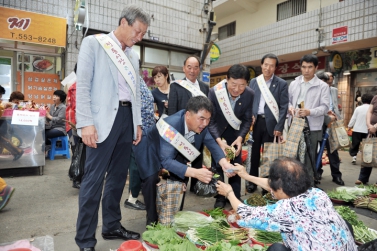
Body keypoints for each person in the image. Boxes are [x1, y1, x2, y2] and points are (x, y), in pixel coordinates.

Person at [75, 5, 150, 251]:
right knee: (93, 181)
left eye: (142, 35)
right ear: (124, 22)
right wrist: (85, 123)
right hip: (101, 120)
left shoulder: (133, 56)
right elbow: (83, 85)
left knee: (118, 178)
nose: (138, 38)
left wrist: (137, 123)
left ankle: (111, 226)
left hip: (127, 118)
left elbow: (135, 93)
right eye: (137, 32)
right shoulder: (94, 43)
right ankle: (85, 240)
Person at [216, 157, 357, 251]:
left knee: (277, 249)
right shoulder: (317, 194)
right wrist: (246, 176)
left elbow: (246, 214)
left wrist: (229, 193)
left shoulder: (286, 209)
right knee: (345, 223)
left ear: (281, 188)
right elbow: (275, 186)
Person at [135, 96, 235, 225]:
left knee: (181, 179)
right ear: (188, 115)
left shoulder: (202, 126)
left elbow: (212, 143)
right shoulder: (172, 124)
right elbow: (166, 160)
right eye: (202, 119)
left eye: (208, 119)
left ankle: (174, 215)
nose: (205, 123)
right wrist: (196, 173)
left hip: (175, 149)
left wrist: (224, 163)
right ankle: (152, 220)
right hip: (150, 148)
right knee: (151, 179)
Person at [208, 64, 254, 208]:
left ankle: (235, 195)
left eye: (241, 85)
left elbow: (247, 120)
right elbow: (211, 120)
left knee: (236, 164)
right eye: (233, 84)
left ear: (246, 84)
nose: (237, 89)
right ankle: (220, 197)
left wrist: (240, 138)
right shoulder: (215, 92)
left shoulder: (249, 94)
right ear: (227, 79)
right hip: (218, 133)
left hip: (235, 135)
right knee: (217, 165)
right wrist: (218, 141)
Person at [247, 53, 288, 193]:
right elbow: (250, 101)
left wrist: (279, 126)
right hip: (256, 122)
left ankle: (267, 184)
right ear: (261, 65)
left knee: (269, 155)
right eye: (266, 65)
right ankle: (251, 182)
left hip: (271, 124)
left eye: (271, 65)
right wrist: (250, 116)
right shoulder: (254, 81)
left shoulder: (281, 84)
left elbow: (284, 107)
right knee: (253, 155)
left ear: (275, 67)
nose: (268, 68)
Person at [168, 55, 210, 192]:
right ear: (184, 68)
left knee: (197, 154)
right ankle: (180, 182)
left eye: (195, 68)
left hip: (199, 128)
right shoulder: (176, 86)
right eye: (189, 67)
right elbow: (172, 110)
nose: (192, 71)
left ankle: (196, 185)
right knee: (180, 156)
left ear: (199, 69)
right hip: (182, 128)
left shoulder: (204, 87)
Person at [288, 54, 329, 186]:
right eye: (304, 67)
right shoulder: (294, 83)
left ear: (316, 68)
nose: (306, 70)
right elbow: (288, 101)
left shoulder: (322, 86)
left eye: (310, 67)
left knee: (309, 158)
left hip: (312, 126)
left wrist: (309, 112)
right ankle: (294, 185)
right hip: (295, 124)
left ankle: (308, 187)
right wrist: (290, 108)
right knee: (293, 156)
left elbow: (324, 107)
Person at [124, 76, 155, 211]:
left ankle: (135, 194)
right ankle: (132, 198)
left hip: (145, 129)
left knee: (138, 163)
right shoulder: (130, 81)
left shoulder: (138, 80)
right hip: (138, 130)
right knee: (135, 164)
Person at [315, 72, 344, 186]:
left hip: (332, 122)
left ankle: (336, 175)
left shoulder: (333, 90)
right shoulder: (314, 91)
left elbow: (336, 106)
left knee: (333, 150)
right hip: (317, 122)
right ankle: (317, 173)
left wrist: (337, 118)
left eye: (326, 80)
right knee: (317, 149)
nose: (324, 82)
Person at [356, 94, 377, 185]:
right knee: (368, 152)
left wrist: (375, 126)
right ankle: (363, 178)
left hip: (374, 128)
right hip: (372, 130)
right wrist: (368, 124)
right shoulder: (375, 97)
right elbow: (370, 111)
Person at [0, 85, 24, 161]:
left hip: (3, 125)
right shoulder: (4, 104)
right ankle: (17, 151)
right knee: (2, 140)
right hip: (4, 126)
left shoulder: (5, 105)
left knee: (2, 140)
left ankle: (17, 151)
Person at [348, 94, 372, 167]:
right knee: (367, 145)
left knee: (355, 144)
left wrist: (349, 126)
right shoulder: (372, 109)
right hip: (367, 129)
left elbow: (353, 118)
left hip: (357, 129)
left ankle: (354, 157)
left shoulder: (358, 108)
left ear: (362, 100)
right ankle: (366, 159)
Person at [44, 90, 67, 156]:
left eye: (56, 96)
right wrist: (46, 114)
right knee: (42, 131)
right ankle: (48, 146)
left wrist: (49, 116)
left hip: (61, 129)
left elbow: (59, 119)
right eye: (54, 95)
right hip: (53, 127)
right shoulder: (52, 106)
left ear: (61, 99)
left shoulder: (63, 107)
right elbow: (49, 119)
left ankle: (46, 148)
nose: (54, 97)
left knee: (45, 133)